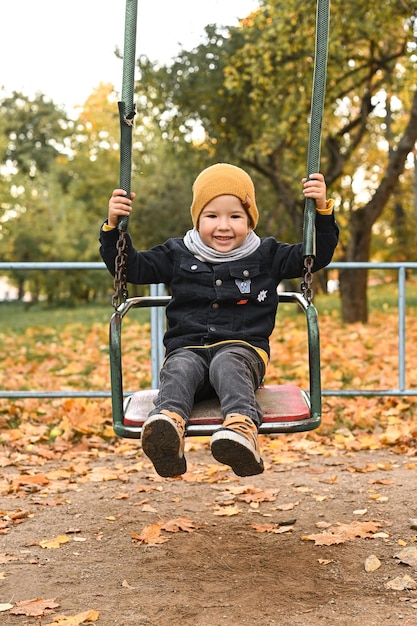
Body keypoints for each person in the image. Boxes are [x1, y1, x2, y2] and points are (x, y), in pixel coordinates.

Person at [99, 163, 339, 478]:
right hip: (188, 348)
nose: (223, 226)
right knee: (179, 366)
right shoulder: (177, 252)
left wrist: (321, 211)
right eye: (212, 216)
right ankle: (167, 429)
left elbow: (313, 255)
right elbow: (131, 269)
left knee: (228, 363)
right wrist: (114, 227)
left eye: (235, 216)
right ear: (197, 218)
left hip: (243, 349)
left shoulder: (267, 255)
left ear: (250, 219)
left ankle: (241, 430)